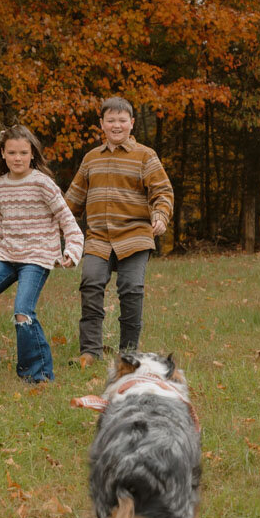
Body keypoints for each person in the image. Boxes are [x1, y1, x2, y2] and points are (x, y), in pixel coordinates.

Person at [0, 125, 84, 382]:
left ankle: (37, 374)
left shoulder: (43, 183)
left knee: (23, 313)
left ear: (32, 154)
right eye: (12, 153)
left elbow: (67, 220)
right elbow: (3, 227)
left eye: (23, 153)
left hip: (37, 257)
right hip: (7, 256)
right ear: (3, 154)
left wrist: (72, 251)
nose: (18, 158)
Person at [65, 96, 173, 363]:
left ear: (132, 123)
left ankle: (128, 353)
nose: (116, 125)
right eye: (110, 120)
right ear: (101, 124)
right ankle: (90, 352)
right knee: (90, 284)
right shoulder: (91, 159)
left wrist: (160, 215)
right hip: (98, 239)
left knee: (131, 288)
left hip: (135, 236)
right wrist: (54, 226)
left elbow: (162, 191)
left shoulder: (145, 156)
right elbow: (72, 200)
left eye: (122, 120)